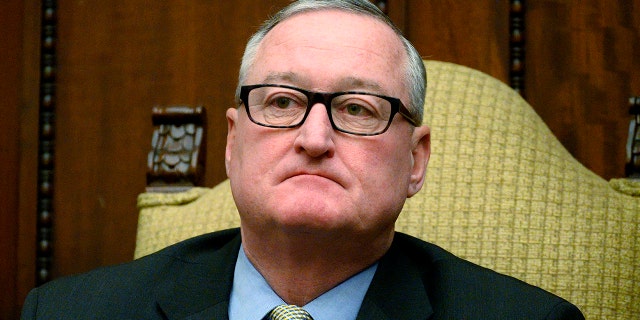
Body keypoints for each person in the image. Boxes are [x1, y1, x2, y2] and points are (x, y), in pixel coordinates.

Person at [21, 1, 584, 319]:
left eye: (359, 109)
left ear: (416, 160)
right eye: (283, 102)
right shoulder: (70, 314)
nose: (315, 138)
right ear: (232, 141)